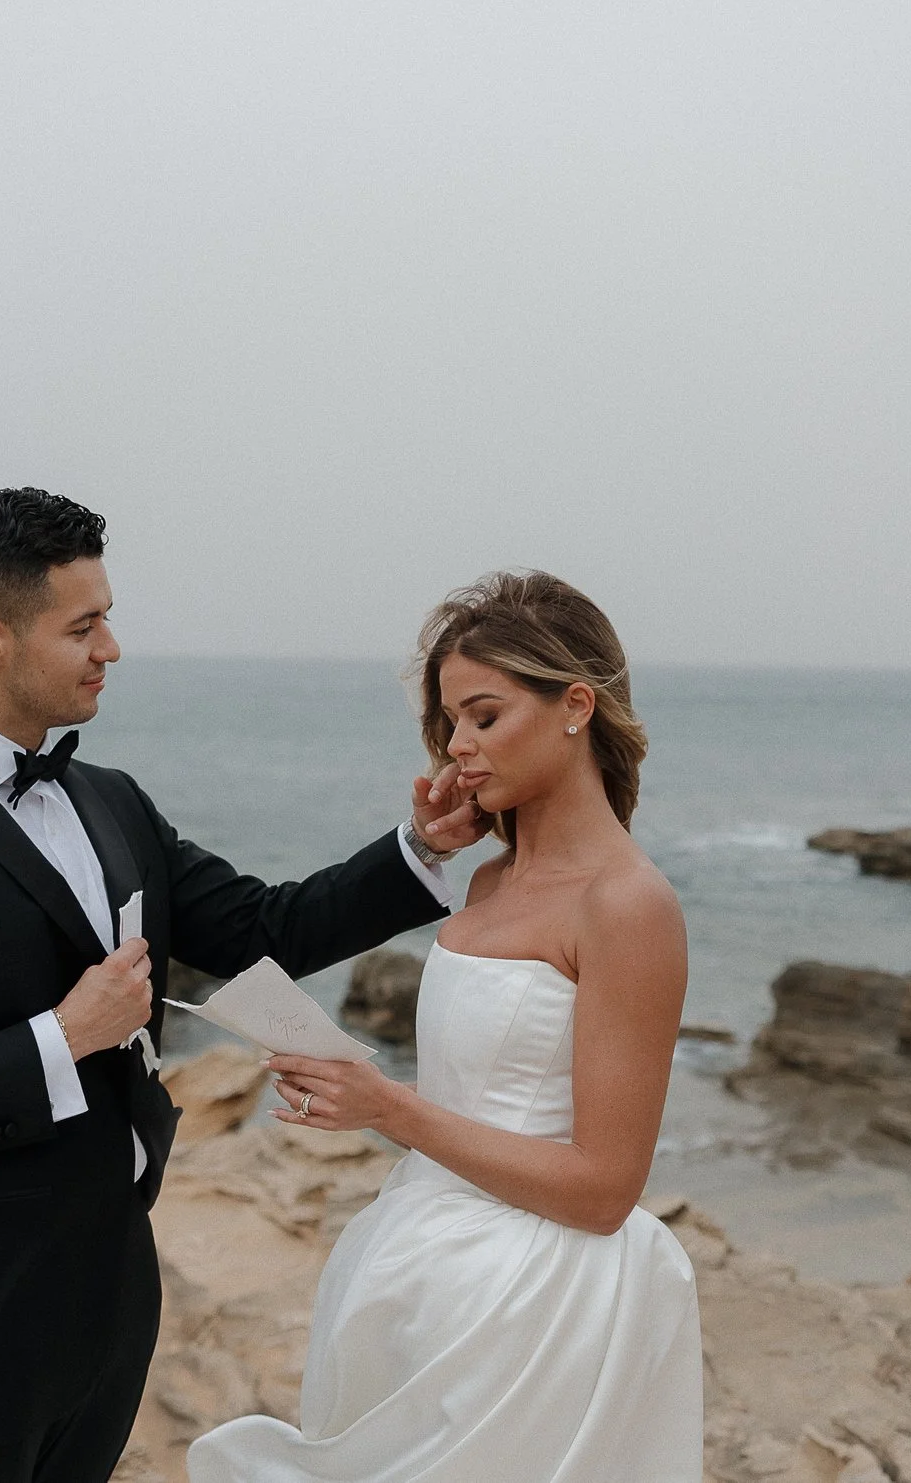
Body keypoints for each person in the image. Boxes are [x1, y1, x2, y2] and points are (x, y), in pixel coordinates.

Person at [0, 487, 485, 1483]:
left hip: (104, 1326)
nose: (112, 646)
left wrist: (418, 848)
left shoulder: (111, 801)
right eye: (84, 624)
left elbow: (262, 926)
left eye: (108, 616)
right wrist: (57, 1038)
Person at [187, 570, 702, 1483]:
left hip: (533, 1305)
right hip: (413, 1263)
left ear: (576, 705)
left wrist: (389, 1108)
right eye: (450, 721)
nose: (458, 745)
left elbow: (604, 1188)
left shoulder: (629, 904)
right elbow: (487, 1094)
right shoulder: (487, 881)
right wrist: (360, 1091)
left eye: (485, 715)